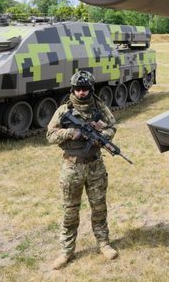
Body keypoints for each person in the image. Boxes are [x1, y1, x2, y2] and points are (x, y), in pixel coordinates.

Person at [46, 70, 118, 269]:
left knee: (99, 207)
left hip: (95, 165)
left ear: (90, 89)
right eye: (78, 89)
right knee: (70, 211)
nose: (81, 93)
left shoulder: (100, 107)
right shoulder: (63, 110)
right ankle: (66, 252)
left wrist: (101, 134)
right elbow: (50, 135)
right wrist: (71, 132)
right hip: (72, 167)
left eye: (85, 89)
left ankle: (104, 244)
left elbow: (112, 127)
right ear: (73, 89)